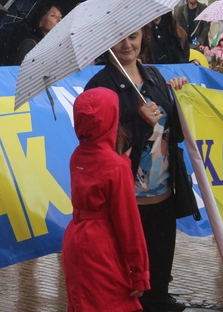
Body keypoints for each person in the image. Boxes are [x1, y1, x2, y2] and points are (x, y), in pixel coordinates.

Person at [85, 25, 199, 312]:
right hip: (127, 198)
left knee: (160, 269)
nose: (127, 44)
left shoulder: (154, 76)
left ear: (143, 38)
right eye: (119, 38)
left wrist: (180, 99)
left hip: (164, 191)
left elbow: (176, 133)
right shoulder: (100, 86)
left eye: (133, 37)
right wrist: (138, 121)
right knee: (132, 276)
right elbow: (99, 145)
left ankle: (160, 298)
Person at [62, 87, 150, 311]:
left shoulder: (76, 155)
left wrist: (120, 162)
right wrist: (139, 272)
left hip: (76, 239)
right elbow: (129, 223)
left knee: (83, 301)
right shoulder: (116, 167)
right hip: (102, 244)